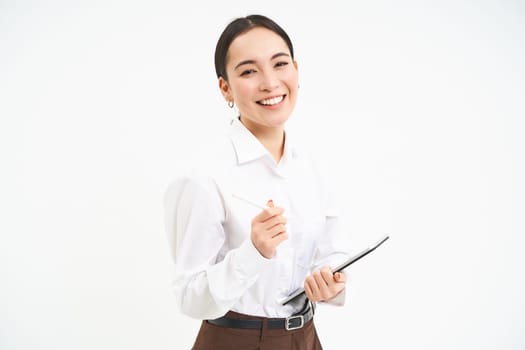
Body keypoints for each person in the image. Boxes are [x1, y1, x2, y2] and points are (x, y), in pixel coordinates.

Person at [164, 14, 351, 350]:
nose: (270, 82)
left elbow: (331, 255)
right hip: (235, 341)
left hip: (305, 338)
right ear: (225, 88)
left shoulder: (312, 167)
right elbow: (188, 296)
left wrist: (332, 284)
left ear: (296, 69)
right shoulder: (204, 175)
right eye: (249, 71)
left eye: (280, 64)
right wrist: (253, 253)